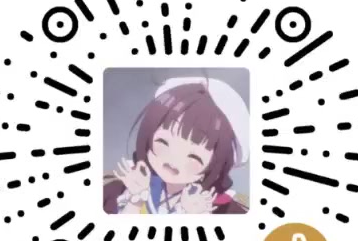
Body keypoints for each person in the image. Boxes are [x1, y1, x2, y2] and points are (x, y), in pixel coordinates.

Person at [103, 76, 250, 216]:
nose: (173, 160)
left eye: (194, 157)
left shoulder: (226, 212)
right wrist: (135, 201)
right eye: (163, 142)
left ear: (214, 166)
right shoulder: (121, 189)